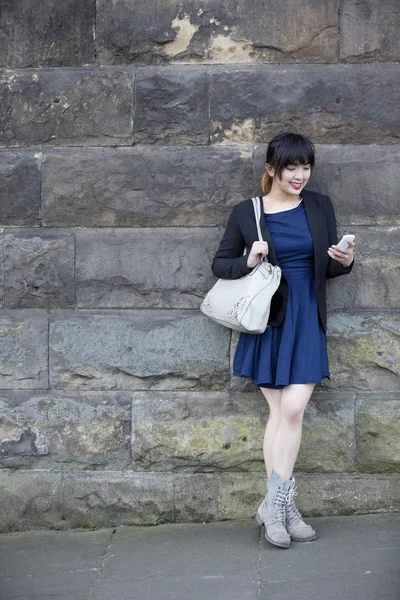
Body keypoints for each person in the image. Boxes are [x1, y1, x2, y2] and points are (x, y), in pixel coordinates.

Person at [211, 132, 354, 549]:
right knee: (279, 413)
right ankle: (284, 510)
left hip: (307, 316)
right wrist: (248, 259)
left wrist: (344, 262)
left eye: (306, 167)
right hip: (270, 319)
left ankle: (273, 507)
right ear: (271, 168)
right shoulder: (247, 213)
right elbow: (220, 263)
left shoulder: (319, 205)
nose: (300, 175)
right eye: (292, 167)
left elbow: (325, 268)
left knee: (293, 409)